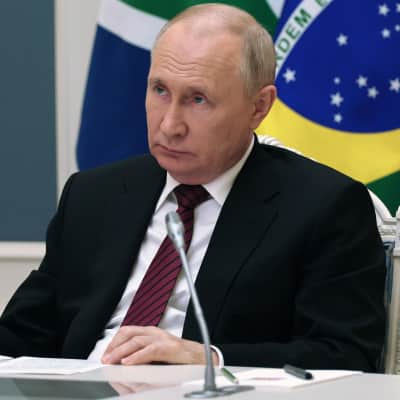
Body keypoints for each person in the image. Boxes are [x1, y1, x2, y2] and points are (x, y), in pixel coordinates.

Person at [0, 4, 386, 371]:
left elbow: (344, 355)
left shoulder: (323, 207)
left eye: (198, 99)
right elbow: (22, 334)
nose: (170, 125)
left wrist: (209, 359)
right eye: (160, 90)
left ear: (259, 107)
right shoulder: (93, 195)